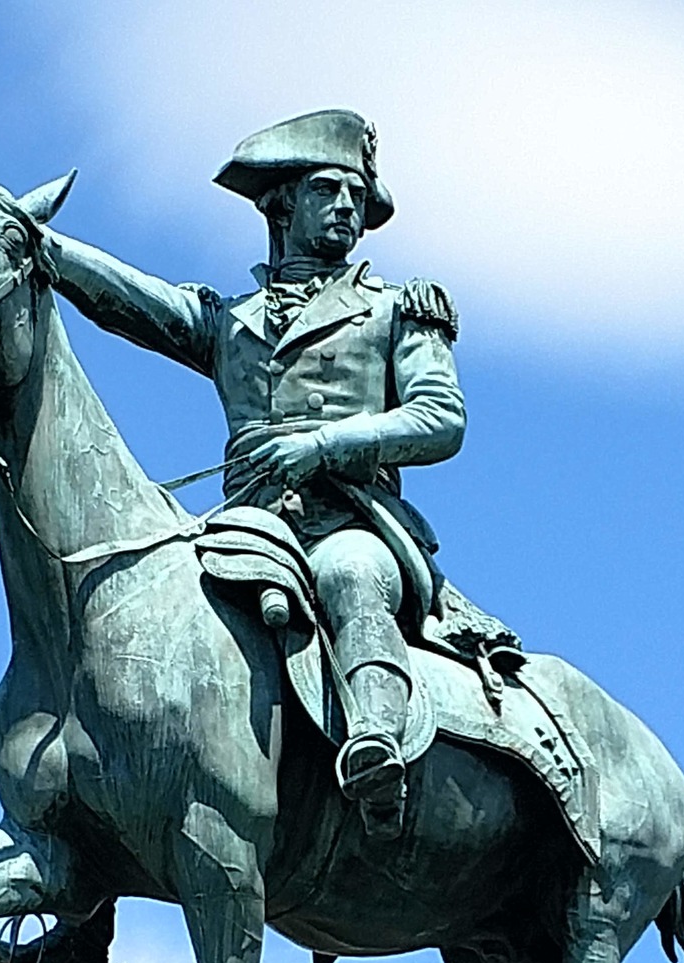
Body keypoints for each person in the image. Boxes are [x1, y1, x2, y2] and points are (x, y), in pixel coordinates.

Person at [39, 109, 465, 835]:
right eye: (329, 192)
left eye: (357, 198)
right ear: (282, 203)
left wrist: (323, 446)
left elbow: (440, 418)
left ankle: (378, 747)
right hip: (245, 526)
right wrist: (35, 242)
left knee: (350, 575)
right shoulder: (229, 321)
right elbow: (126, 299)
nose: (346, 211)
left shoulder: (397, 310)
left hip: (351, 517)